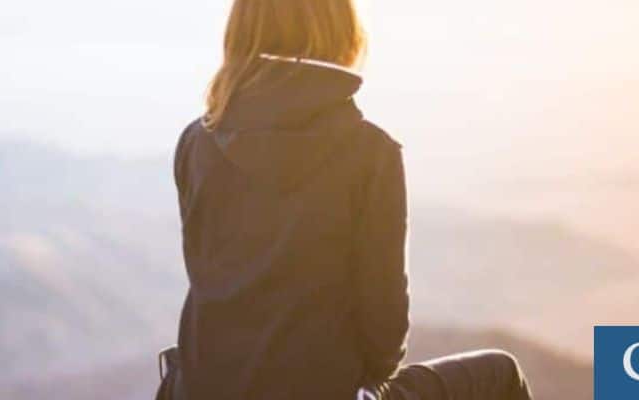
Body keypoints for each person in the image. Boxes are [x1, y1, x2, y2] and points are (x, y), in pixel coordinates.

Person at [162, 1, 534, 399]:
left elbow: (216, 286)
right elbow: (384, 337)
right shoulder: (370, 154)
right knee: (500, 374)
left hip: (203, 390)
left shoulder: (196, 143)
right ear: (340, 30)